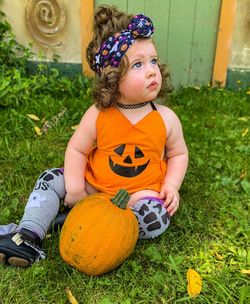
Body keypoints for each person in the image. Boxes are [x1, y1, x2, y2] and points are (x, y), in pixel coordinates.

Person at [0, 5, 188, 267]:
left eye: (153, 61)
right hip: (92, 187)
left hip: (137, 196)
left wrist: (171, 185)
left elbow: (178, 153)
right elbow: (77, 150)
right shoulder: (98, 115)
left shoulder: (166, 118)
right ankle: (29, 233)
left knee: (156, 219)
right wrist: (76, 187)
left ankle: (68, 223)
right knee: (51, 179)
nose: (151, 70)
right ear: (112, 77)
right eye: (138, 64)